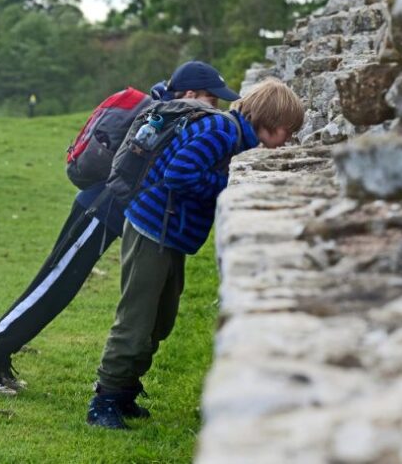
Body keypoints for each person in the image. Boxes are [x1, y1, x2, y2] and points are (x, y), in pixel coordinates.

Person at [0, 61, 242, 395]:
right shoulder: (165, 114)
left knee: (58, 284)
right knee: (55, 284)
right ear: (191, 93)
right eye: (213, 99)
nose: (216, 107)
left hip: (107, 207)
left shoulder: (171, 113)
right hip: (101, 207)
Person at [86, 78, 305, 429]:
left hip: (169, 234)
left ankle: (125, 389)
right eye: (287, 132)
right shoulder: (221, 132)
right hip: (151, 227)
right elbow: (179, 175)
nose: (288, 142)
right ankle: (105, 398)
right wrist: (230, 187)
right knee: (137, 319)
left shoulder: (234, 136)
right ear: (269, 121)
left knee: (162, 319)